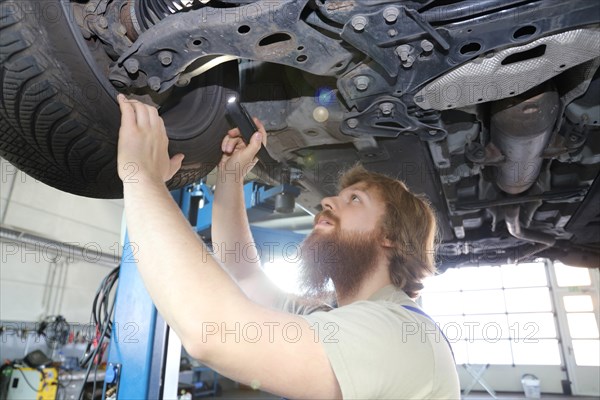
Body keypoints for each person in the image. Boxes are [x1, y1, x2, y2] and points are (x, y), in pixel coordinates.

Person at [116, 94, 460, 399]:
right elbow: (244, 275)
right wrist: (231, 177)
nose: (326, 201)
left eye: (354, 199)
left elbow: (217, 333)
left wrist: (141, 175)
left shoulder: (397, 333)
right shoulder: (335, 318)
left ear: (392, 237)